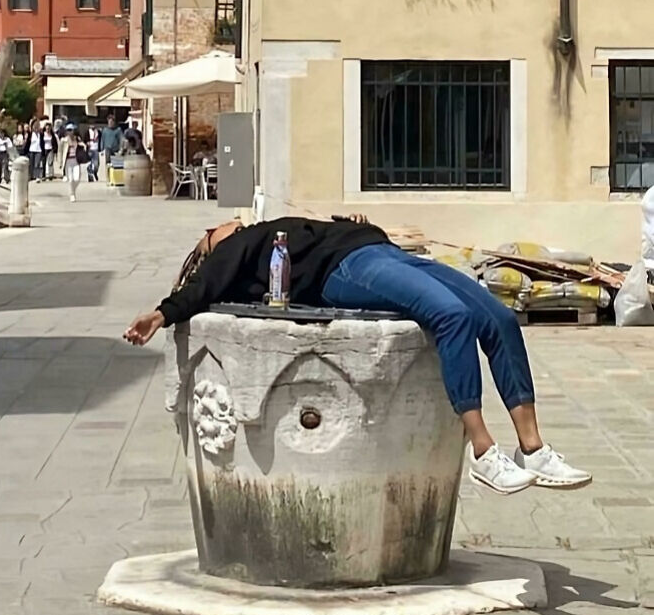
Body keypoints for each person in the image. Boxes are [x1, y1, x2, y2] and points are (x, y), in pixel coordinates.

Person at [125, 216, 592, 495]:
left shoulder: (275, 229)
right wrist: (162, 314)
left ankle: (532, 449)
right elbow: (203, 287)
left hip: (381, 251)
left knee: (499, 318)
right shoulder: (239, 247)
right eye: (212, 232)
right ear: (210, 246)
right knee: (452, 317)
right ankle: (484, 451)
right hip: (349, 270)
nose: (223, 224)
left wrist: (355, 223)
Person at [59, 125, 87, 202]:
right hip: (68, 161)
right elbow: (60, 152)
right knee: (70, 179)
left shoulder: (77, 139)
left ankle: (73, 190)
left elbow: (83, 146)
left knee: (77, 178)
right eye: (68, 130)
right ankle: (72, 194)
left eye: (71, 130)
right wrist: (60, 162)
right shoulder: (63, 141)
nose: (70, 132)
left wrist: (83, 146)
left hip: (76, 161)